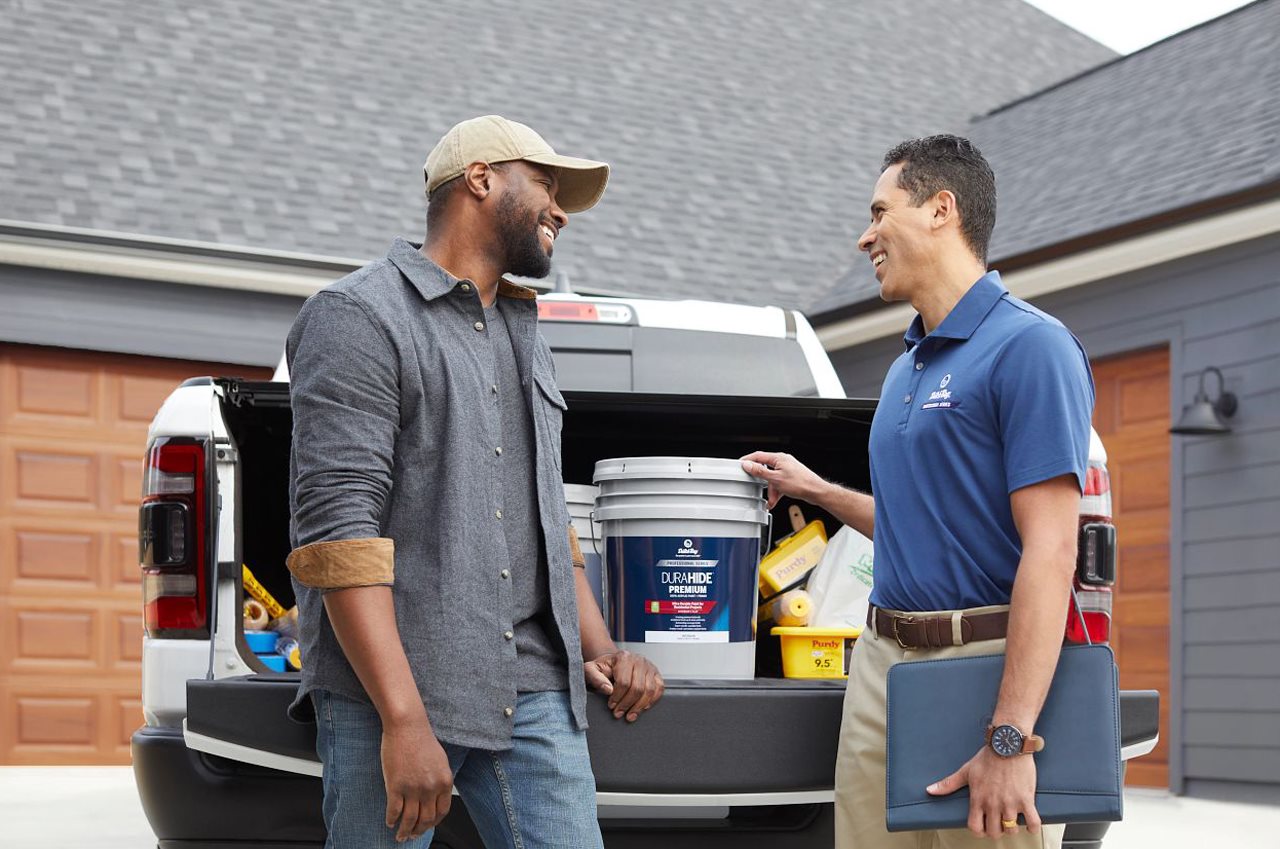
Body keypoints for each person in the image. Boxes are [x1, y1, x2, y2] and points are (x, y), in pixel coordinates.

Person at [285, 115, 664, 848]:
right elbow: (341, 536)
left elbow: (546, 520)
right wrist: (402, 718)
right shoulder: (360, 317)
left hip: (532, 685)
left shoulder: (528, 336)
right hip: (394, 686)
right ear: (480, 179)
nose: (560, 210)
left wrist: (605, 646)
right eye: (548, 186)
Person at [742, 135, 1093, 848]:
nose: (865, 234)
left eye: (880, 210)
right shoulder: (906, 367)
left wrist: (1009, 737)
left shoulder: (1031, 347)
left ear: (941, 209)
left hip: (981, 669)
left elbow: (1052, 551)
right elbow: (918, 525)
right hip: (879, 664)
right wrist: (819, 490)